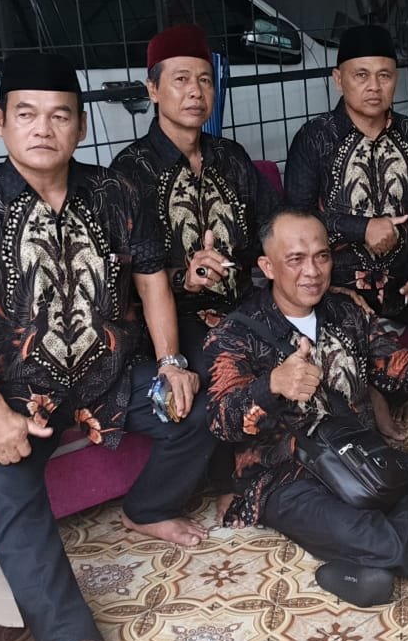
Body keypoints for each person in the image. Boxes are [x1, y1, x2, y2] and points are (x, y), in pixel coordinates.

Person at [0, 53, 212, 641]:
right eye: (26, 114)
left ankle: (147, 507)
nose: (43, 129)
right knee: (10, 490)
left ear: (80, 125)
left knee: (199, 407)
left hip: (113, 378)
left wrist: (171, 363)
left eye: (60, 116)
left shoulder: (117, 193)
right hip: (19, 394)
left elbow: (153, 281)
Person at [200, 210, 408, 607]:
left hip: (356, 458)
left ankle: (368, 565)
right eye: (295, 259)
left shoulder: (346, 309)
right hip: (287, 477)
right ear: (268, 267)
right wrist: (272, 386)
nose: (312, 271)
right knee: (357, 529)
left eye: (322, 256)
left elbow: (395, 371)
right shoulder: (236, 332)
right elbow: (221, 422)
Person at [284, 24, 408, 439]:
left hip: (399, 284)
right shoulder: (314, 139)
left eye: (385, 75)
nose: (374, 86)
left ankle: (401, 386)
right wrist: (361, 228)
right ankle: (381, 392)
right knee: (342, 339)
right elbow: (294, 221)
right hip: (337, 290)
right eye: (361, 75)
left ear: (396, 80)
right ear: (338, 79)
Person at [110, 23, 281, 378]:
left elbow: (272, 224)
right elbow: (128, 279)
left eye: (205, 80)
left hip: (246, 302)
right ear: (153, 90)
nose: (196, 91)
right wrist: (185, 278)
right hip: (179, 319)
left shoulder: (230, 156)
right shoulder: (130, 171)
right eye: (181, 79)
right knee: (234, 371)